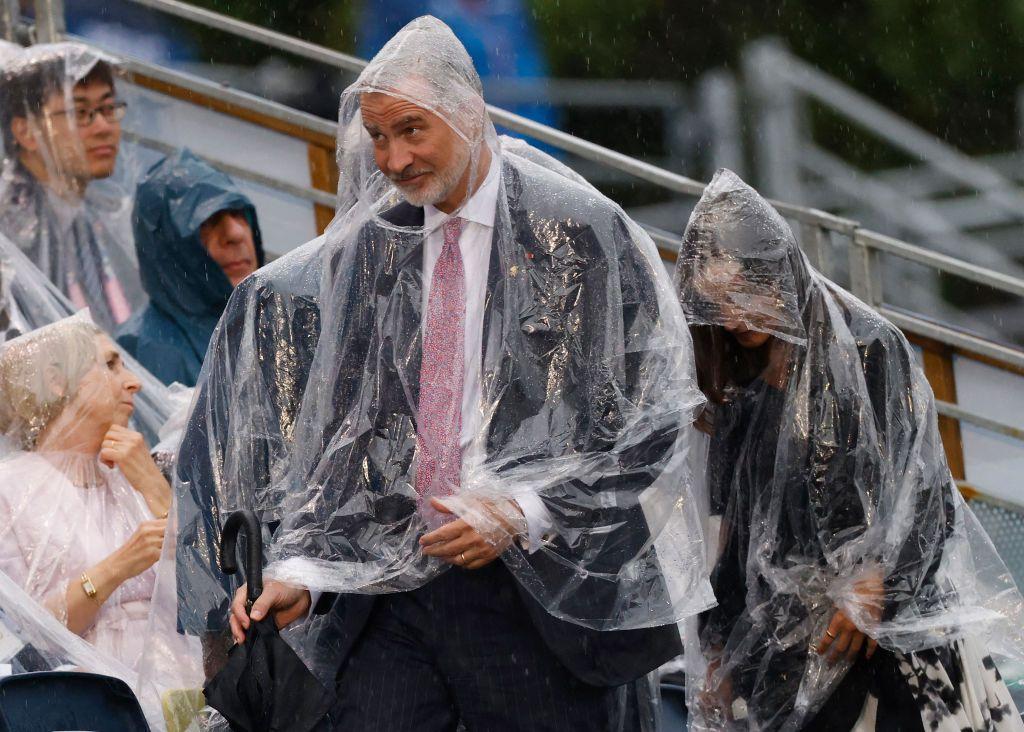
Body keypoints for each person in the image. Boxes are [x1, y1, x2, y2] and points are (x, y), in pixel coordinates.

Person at [172, 15, 712, 731]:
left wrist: (525, 511)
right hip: (395, 591)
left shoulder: (581, 231)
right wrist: (305, 570)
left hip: (538, 595)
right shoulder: (372, 247)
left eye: (412, 130)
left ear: (469, 112)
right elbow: (346, 435)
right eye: (379, 136)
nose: (393, 159)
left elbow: (652, 418)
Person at [675, 169, 1024, 731]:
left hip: (891, 648)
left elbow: (926, 496)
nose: (737, 317)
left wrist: (879, 583)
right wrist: (717, 649)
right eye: (721, 305)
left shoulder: (867, 351)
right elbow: (735, 536)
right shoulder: (735, 387)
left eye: (745, 295)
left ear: (777, 272)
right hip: (788, 656)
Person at [0, 314, 170, 671]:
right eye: (110, 364)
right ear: (58, 382)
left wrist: (155, 487)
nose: (134, 382)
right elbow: (24, 635)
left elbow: (209, 591)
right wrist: (119, 566)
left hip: (177, 676)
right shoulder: (10, 489)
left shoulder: (134, 472)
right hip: (88, 696)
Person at [0, 42, 144, 333]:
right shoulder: (12, 235)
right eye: (80, 112)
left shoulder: (91, 217)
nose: (104, 126)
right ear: (26, 131)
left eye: (108, 107)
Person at [116, 149, 264, 387]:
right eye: (209, 221)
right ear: (169, 247)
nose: (236, 234)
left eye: (238, 214)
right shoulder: (146, 351)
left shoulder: (272, 317)